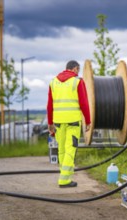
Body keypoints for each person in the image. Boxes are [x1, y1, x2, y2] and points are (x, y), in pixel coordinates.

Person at [47, 60, 91, 188]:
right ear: (75, 69)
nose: (78, 73)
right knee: (70, 149)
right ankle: (64, 180)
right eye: (78, 70)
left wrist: (50, 123)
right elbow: (84, 103)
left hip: (58, 122)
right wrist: (88, 120)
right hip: (72, 122)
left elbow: (50, 105)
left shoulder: (53, 82)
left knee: (61, 149)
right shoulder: (77, 82)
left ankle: (65, 174)